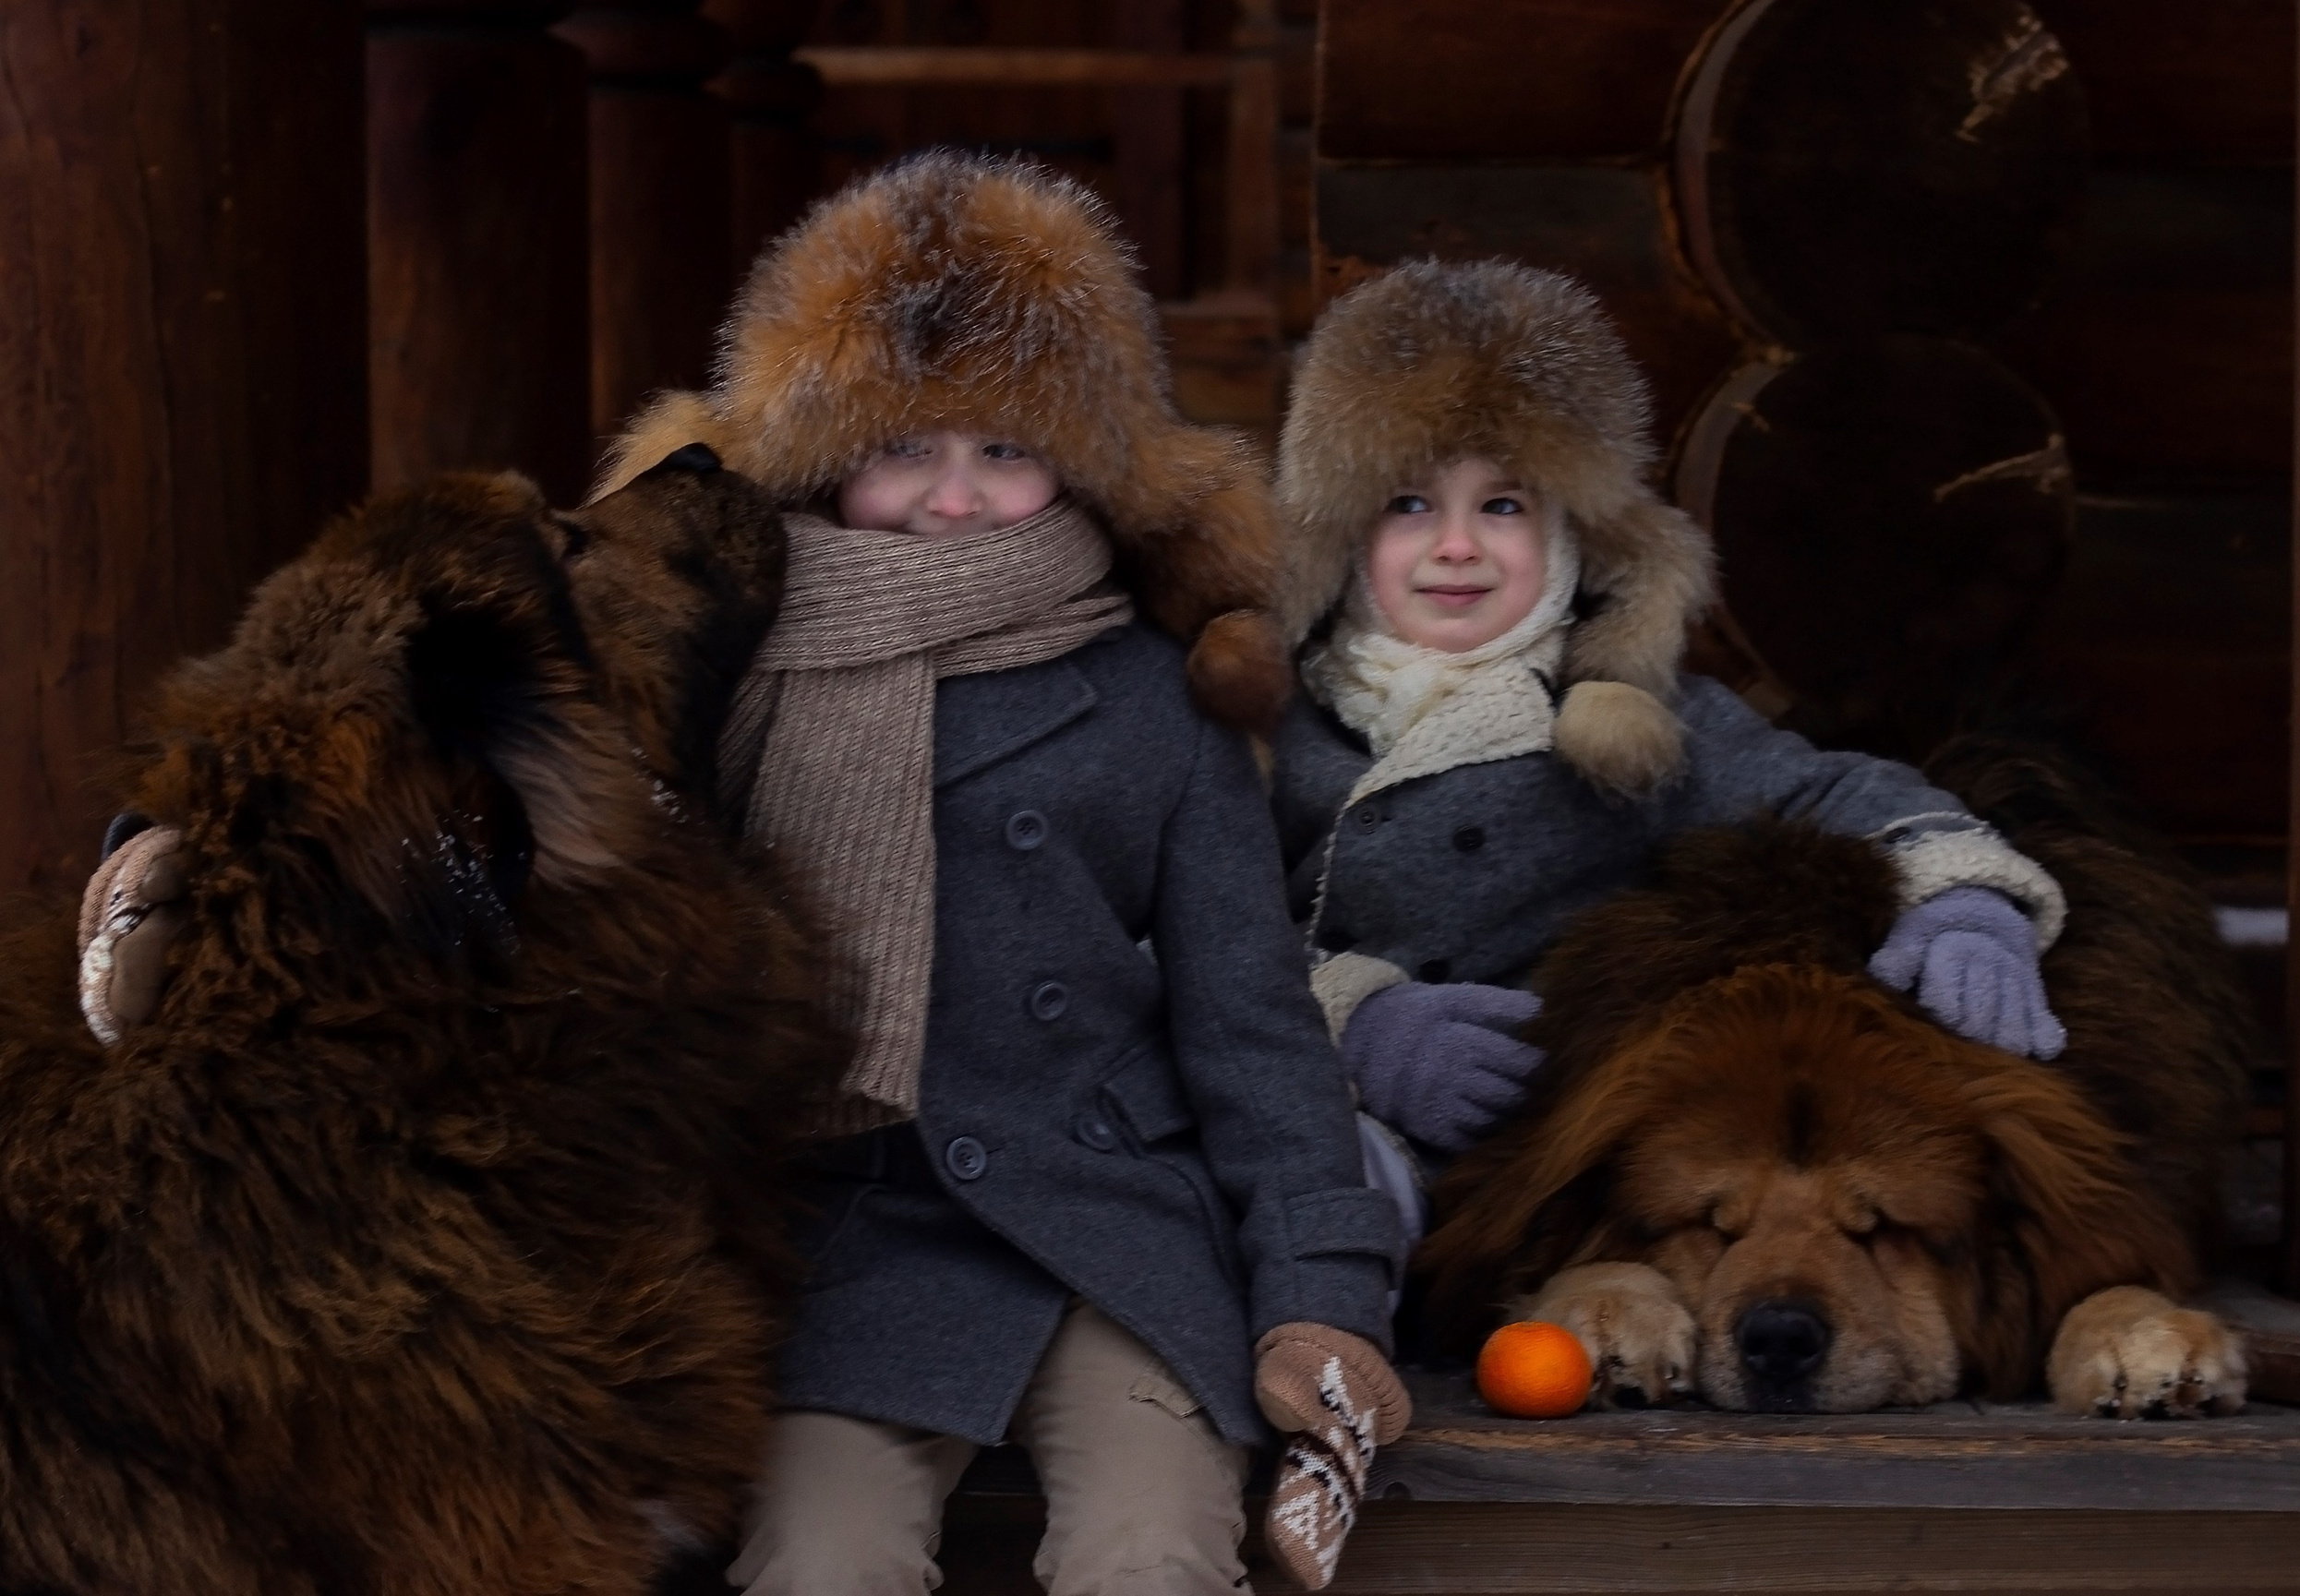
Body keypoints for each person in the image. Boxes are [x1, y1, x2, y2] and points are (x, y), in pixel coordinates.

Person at [593, 153, 1405, 1593]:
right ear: (826, 460)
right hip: (856, 1226)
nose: (954, 502)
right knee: (814, 1563)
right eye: (907, 449)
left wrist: (1317, 1295)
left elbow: (1251, 1027)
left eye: (1003, 452)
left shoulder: (1153, 692)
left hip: (1111, 1226)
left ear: (1083, 465)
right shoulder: (724, 673)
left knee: (1150, 1553)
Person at [1265, 258, 2070, 1213]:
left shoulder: (1637, 719)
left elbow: (1834, 794)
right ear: (1342, 535)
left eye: (1503, 505)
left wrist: (1963, 902)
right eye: (1408, 505)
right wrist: (1360, 1023)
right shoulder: (1271, 722)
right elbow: (1173, 930)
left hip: (1536, 1157)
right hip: (1301, 1107)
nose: (1454, 546)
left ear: (1572, 537)